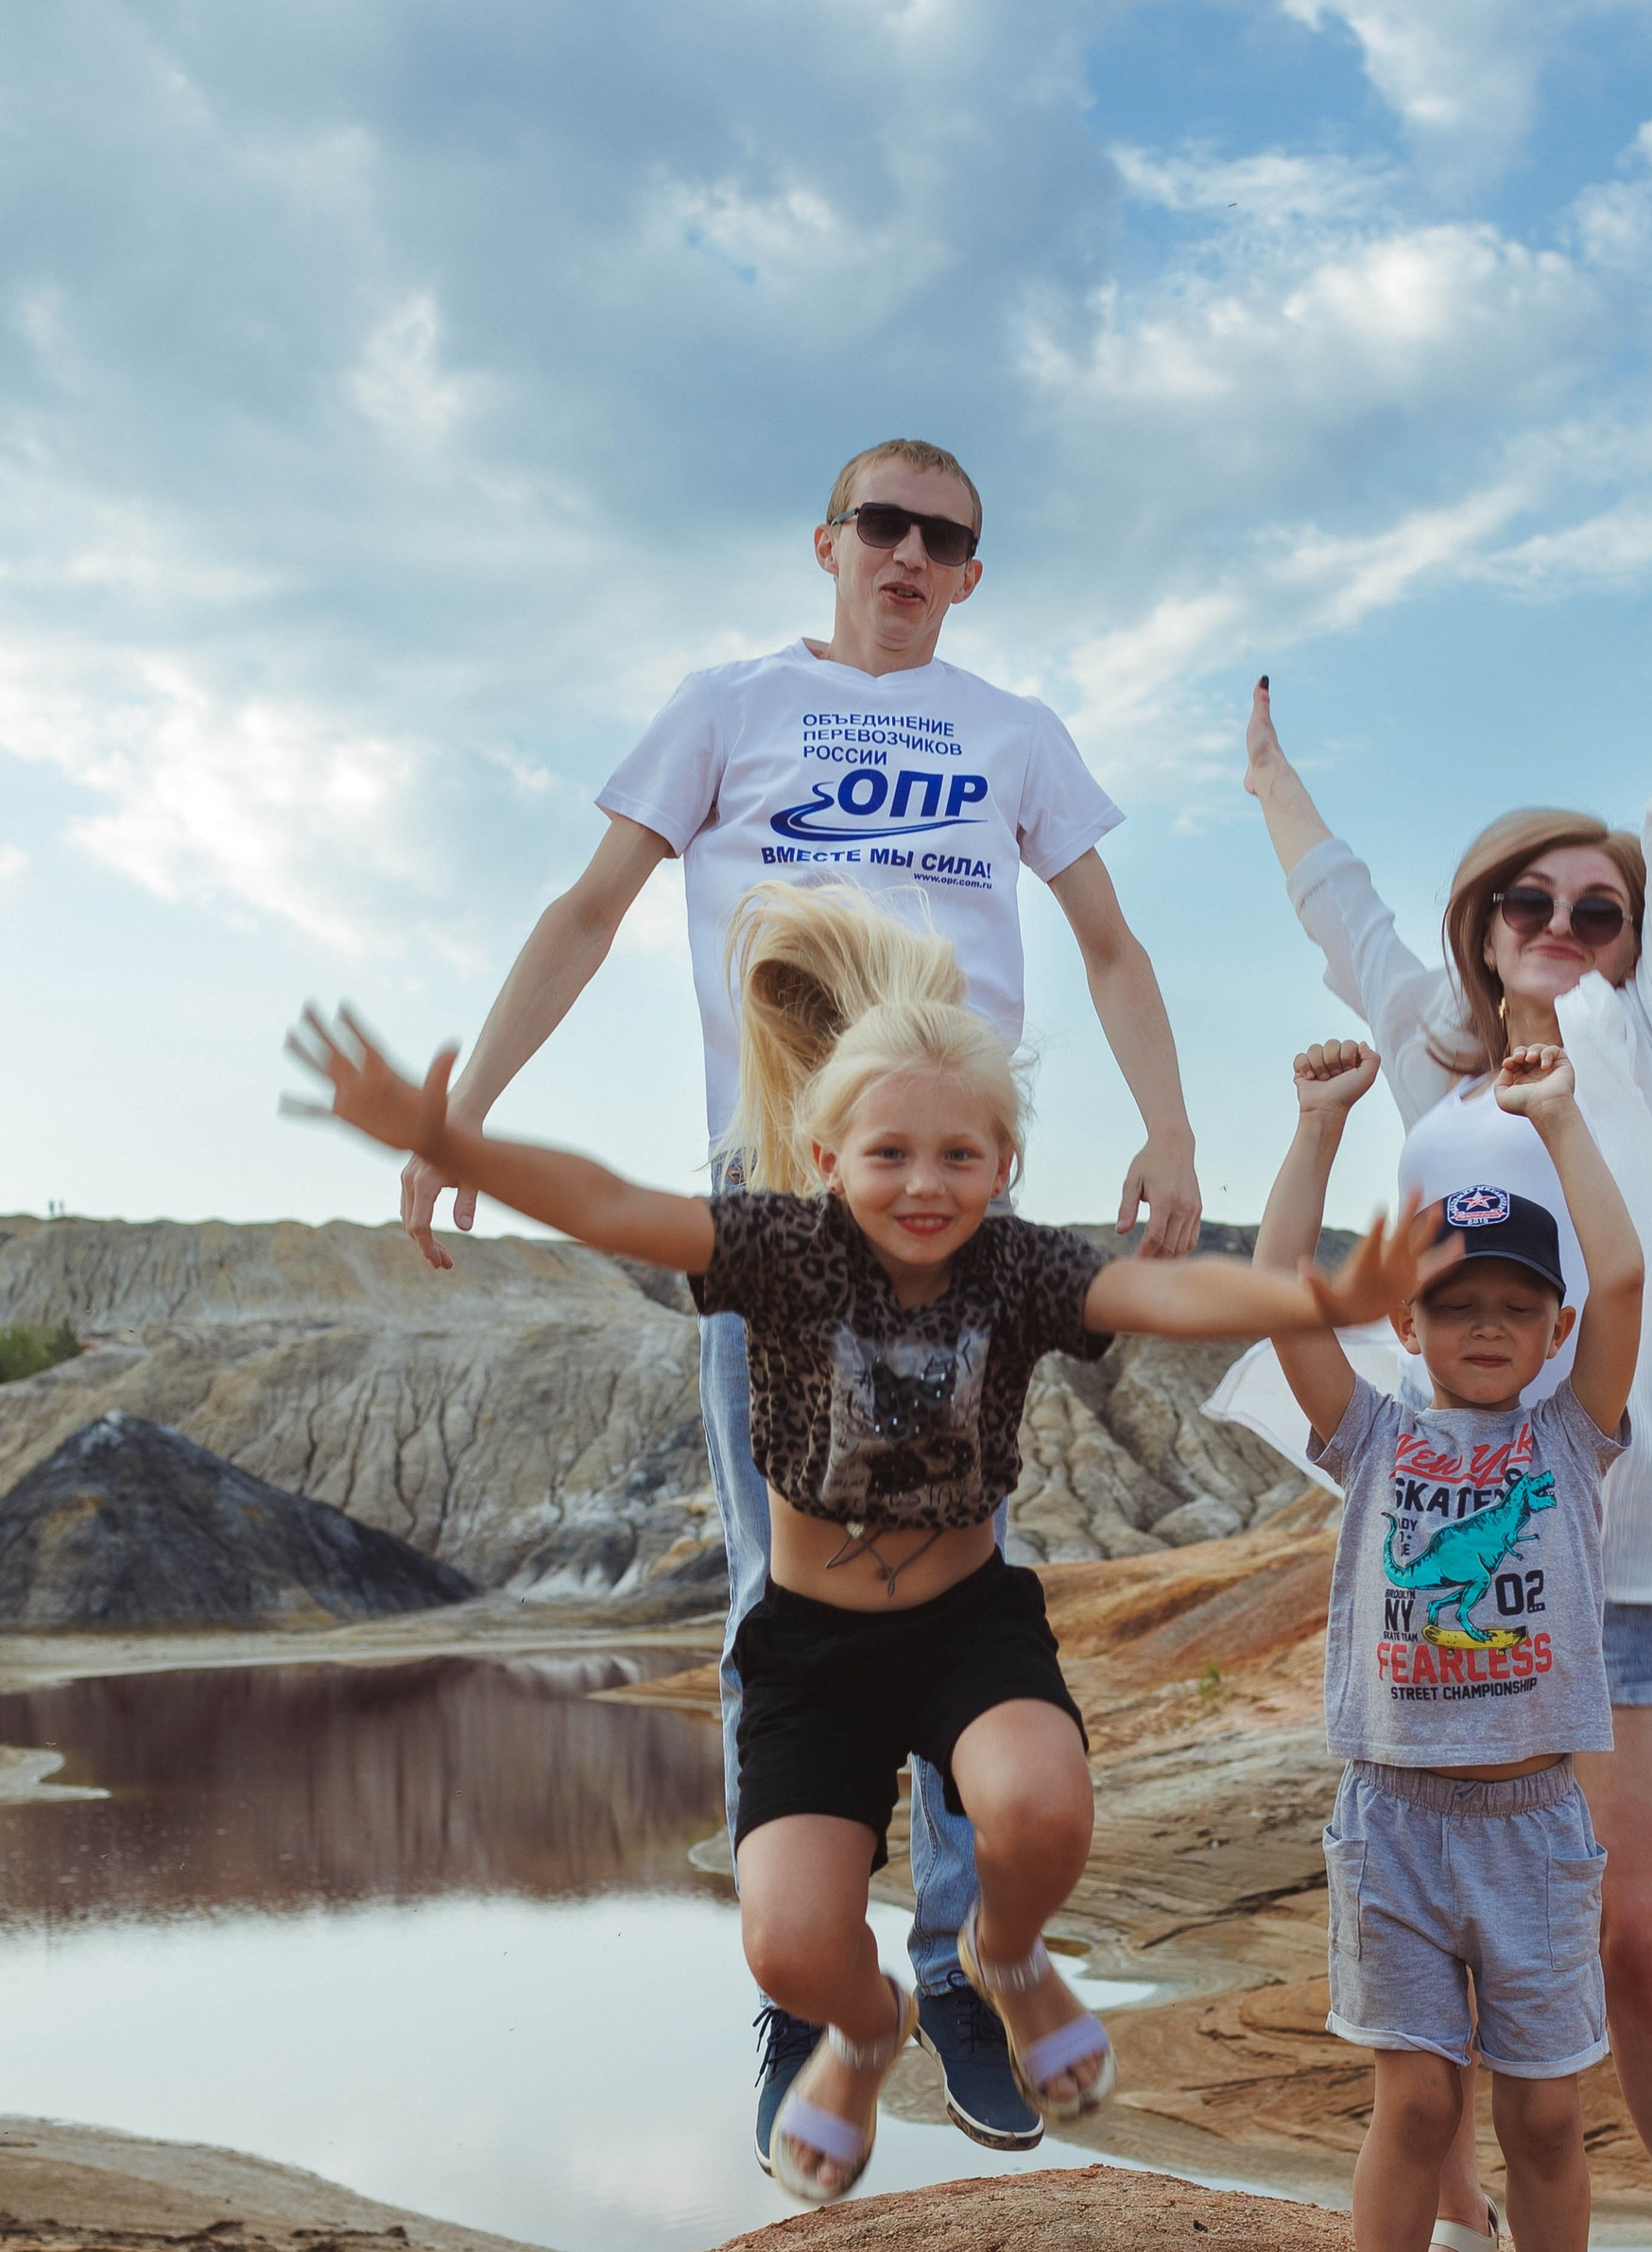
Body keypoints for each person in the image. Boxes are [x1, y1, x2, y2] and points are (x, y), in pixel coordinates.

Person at [288, 886, 1446, 2205]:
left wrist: (1325, 1293)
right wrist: (455, 1139)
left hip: (965, 1628)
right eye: (889, 1154)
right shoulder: (778, 1250)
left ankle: (1005, 1960)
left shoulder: (1015, 1269)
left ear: (1004, 1167)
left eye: (961, 1157)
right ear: (828, 1155)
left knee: (1041, 1803)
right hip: (812, 1652)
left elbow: (1168, 1290)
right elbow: (608, 1204)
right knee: (786, 1943)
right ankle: (865, 2023)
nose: (924, 1185)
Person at [394, 437, 1203, 2161]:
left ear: (972, 573)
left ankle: (971, 1968)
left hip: (953, 1199)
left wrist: (1173, 1127)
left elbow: (1115, 946)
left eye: (947, 538)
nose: (911, 553)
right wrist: (469, 1104)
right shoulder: (725, 707)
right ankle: (812, 1977)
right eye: (884, 525)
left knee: (958, 1561)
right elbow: (591, 904)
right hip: (778, 1212)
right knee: (792, 1583)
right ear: (827, 542)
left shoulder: (1016, 737)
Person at [1229, 394, 1652, 2252]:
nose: (1566, 935)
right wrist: (1268, 783)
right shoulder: (1436, 1082)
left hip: (1634, 1527)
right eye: (1529, 910)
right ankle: (1475, 2225)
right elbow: (1346, 917)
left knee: (1632, 1932)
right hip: (1465, 1555)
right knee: (1475, 1927)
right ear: (1483, 934)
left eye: (1596, 913)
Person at [1257, 1034, 1643, 2252]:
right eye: (1454, 1302)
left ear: (1551, 1329)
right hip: (1396, 1823)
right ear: (1408, 1325)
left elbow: (1634, 1281)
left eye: (1514, 1305)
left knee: (1543, 2113)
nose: (1486, 1324)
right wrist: (1316, 1130)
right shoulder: (1372, 1439)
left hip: (1535, 1828)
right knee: (1417, 2105)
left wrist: (1559, 1117)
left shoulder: (1569, 1441)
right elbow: (1285, 1294)